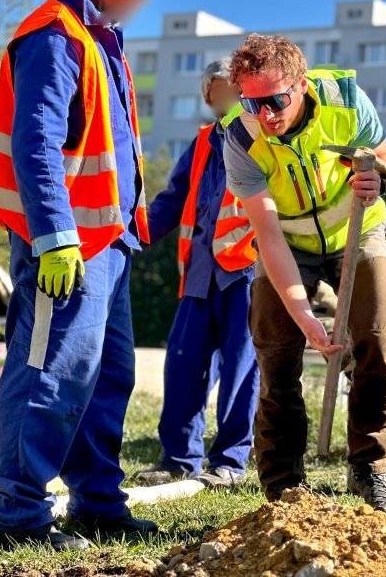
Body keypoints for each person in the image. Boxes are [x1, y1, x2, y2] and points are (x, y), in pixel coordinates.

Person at [0, 0, 161, 551]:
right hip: (68, 248)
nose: (141, 5)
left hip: (107, 243)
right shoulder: (55, 34)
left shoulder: (98, 39)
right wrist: (55, 236)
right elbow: (35, 143)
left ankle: (97, 503)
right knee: (48, 373)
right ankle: (20, 515)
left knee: (104, 377)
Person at [222, 34, 386, 517]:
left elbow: (385, 155)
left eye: (276, 101)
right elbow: (268, 236)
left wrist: (378, 174)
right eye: (251, 102)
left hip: (357, 231)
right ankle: (283, 487)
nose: (265, 114)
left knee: (377, 337)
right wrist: (304, 316)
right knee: (276, 350)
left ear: (301, 85)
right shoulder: (240, 136)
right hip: (289, 243)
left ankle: (371, 471)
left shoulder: (345, 99)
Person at [135, 57, 259, 489]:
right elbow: (173, 200)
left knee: (241, 367)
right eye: (217, 93)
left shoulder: (264, 135)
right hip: (200, 273)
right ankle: (179, 458)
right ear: (209, 98)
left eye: (231, 91)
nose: (224, 99)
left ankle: (230, 460)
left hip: (244, 268)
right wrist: (132, 234)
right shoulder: (205, 141)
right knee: (183, 364)